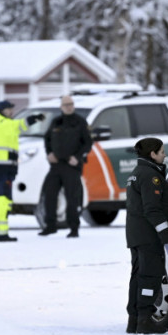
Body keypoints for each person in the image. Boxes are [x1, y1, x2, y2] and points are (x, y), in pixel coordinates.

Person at [125, 137, 168, 334]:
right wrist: (165, 233)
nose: (164, 155)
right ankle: (145, 320)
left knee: (138, 277)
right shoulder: (150, 176)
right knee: (149, 277)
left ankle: (134, 320)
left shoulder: (137, 173)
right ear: (152, 154)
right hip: (148, 236)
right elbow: (152, 209)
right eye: (161, 151)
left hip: (136, 235)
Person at [0, 100, 44, 242]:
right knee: (4, 199)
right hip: (3, 165)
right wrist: (34, 118)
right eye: (9, 109)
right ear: (2, 110)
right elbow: (21, 125)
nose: (11, 112)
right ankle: (1, 233)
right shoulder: (6, 124)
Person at [39, 95, 93, 238]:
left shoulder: (80, 122)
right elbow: (47, 139)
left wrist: (77, 157)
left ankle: (74, 228)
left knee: (72, 198)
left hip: (72, 165)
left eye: (71, 104)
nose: (69, 106)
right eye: (66, 104)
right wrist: (49, 153)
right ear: (61, 107)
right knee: (49, 195)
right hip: (56, 165)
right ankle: (50, 226)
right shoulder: (56, 122)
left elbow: (88, 143)